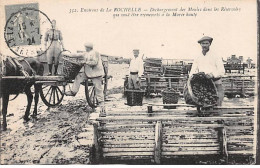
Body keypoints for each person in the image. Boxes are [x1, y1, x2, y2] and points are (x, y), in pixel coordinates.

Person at [64, 42, 105, 116]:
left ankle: (102, 109)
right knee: (78, 77)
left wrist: (85, 62)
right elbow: (76, 55)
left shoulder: (95, 53)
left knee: (98, 90)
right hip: (87, 72)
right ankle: (73, 91)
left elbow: (94, 62)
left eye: (86, 47)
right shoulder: (85, 53)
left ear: (89, 47)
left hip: (96, 74)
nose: (85, 48)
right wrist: (66, 54)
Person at [189, 36, 225, 106]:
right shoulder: (197, 56)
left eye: (206, 43)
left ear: (210, 44)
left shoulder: (215, 56)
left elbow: (222, 71)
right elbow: (193, 70)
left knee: (216, 105)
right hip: (202, 85)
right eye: (203, 43)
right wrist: (191, 77)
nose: (204, 45)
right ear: (200, 44)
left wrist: (212, 75)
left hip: (215, 83)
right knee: (202, 103)